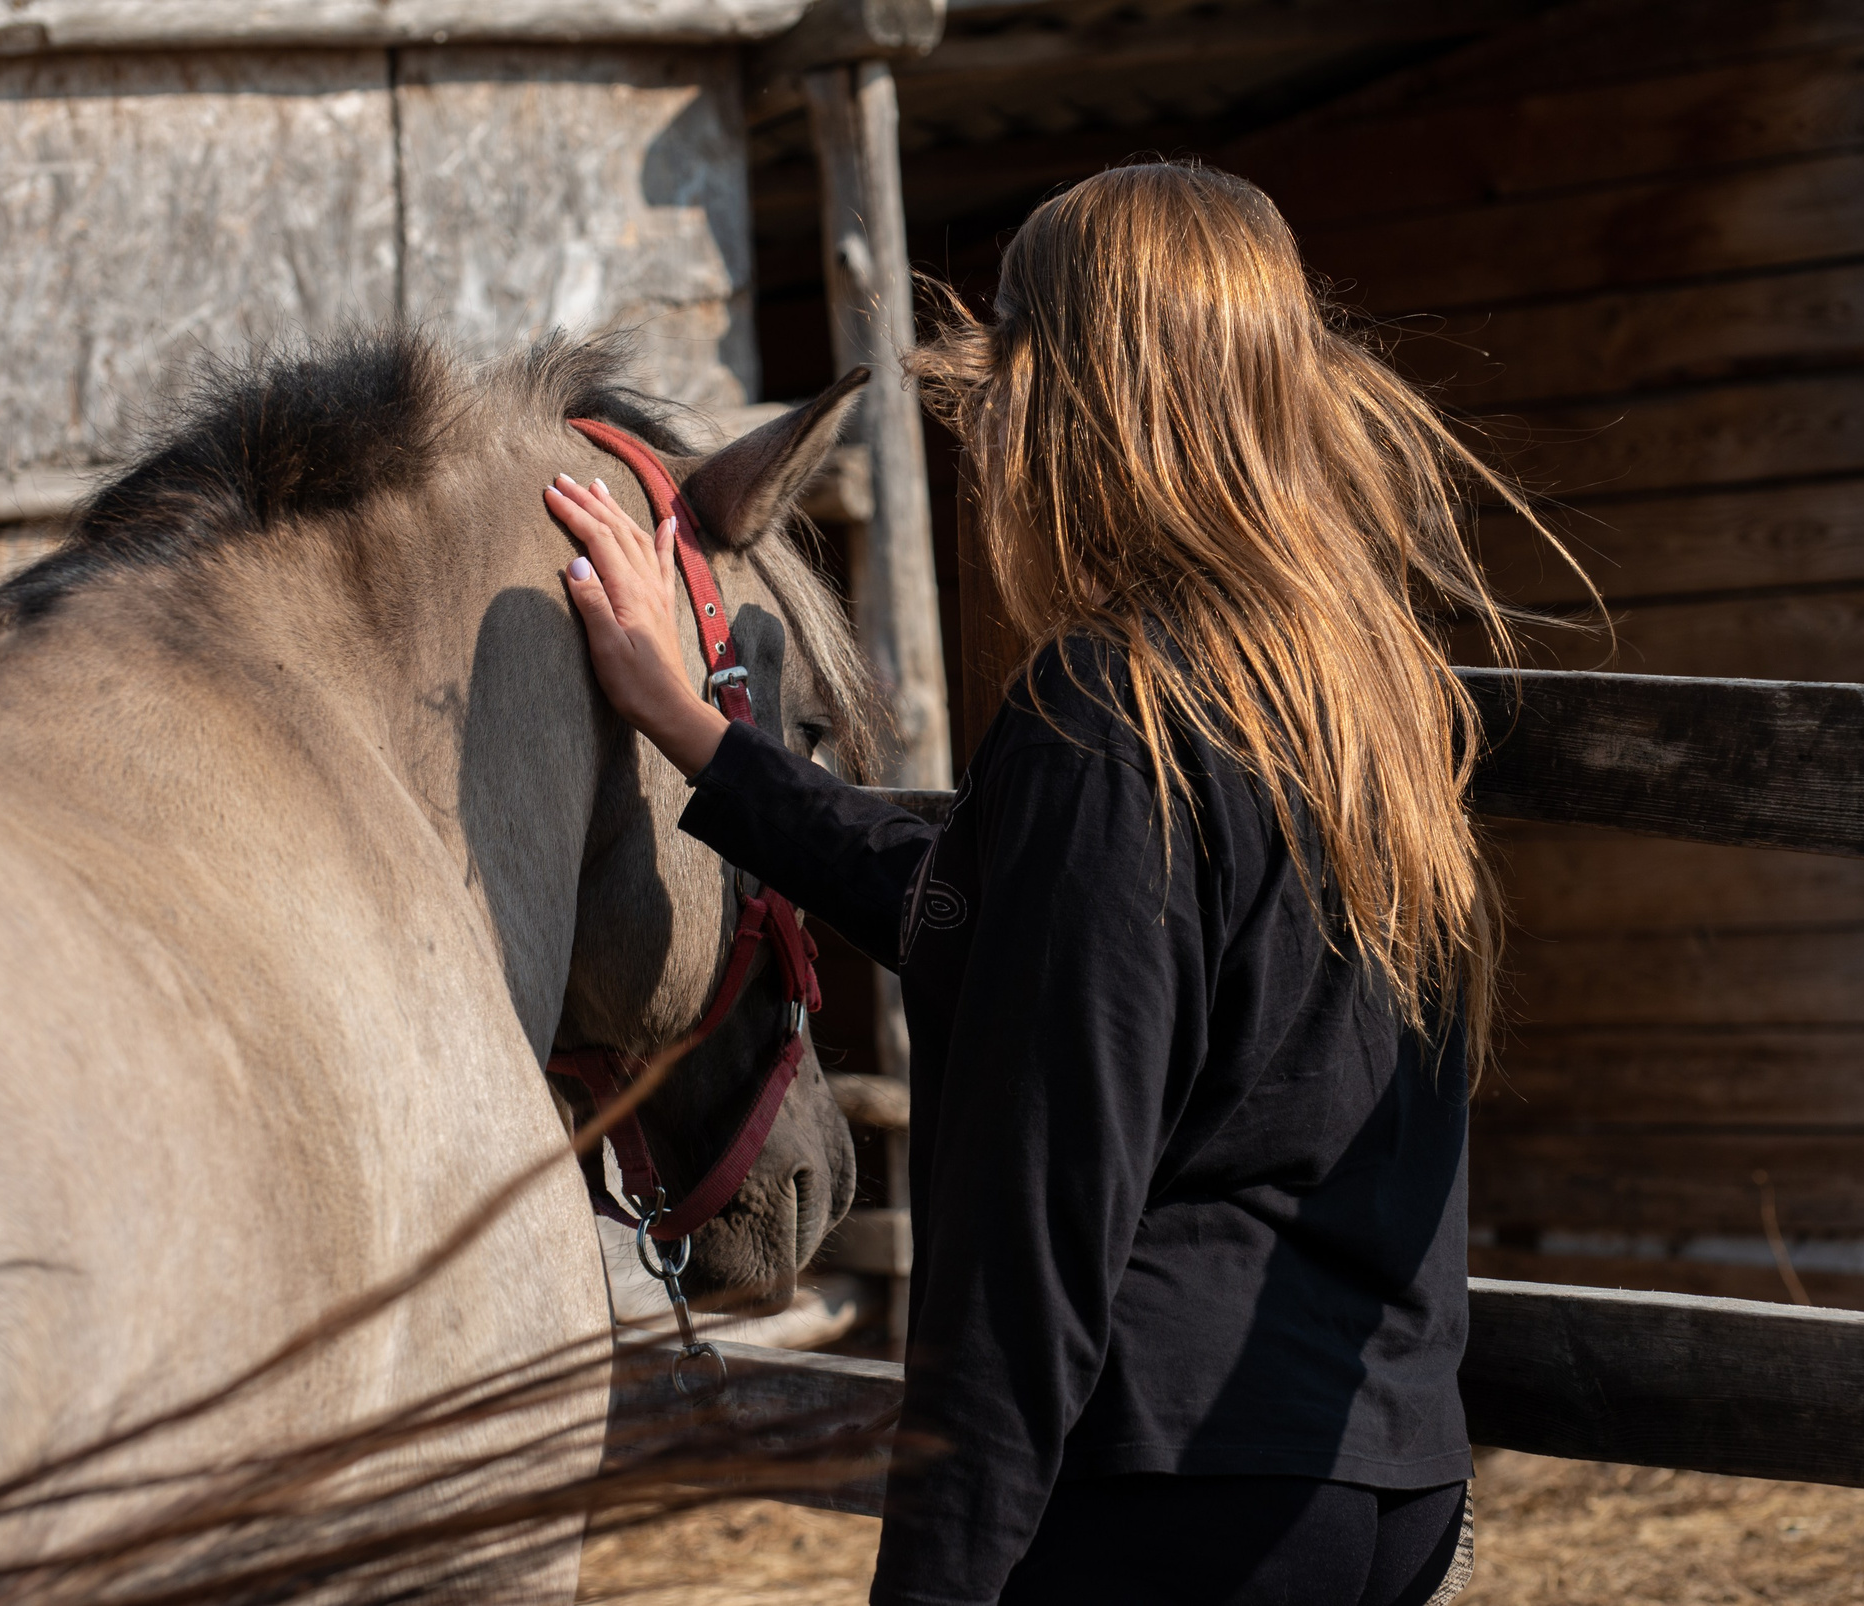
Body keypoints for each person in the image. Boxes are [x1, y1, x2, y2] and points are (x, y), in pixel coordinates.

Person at [546, 161, 1571, 1606]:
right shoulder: (1360, 694)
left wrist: (937, 1580)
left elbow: (1035, 1230)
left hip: (1171, 1500)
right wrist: (706, 739)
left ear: (1075, 406)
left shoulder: (1109, 716)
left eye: (1008, 382)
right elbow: (1012, 915)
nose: (991, 431)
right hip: (1380, 1473)